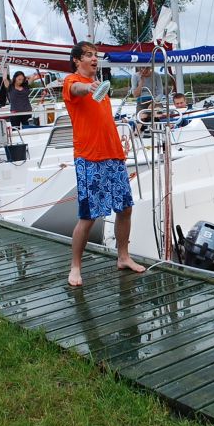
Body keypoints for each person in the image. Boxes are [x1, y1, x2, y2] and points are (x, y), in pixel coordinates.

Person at [63, 41, 146, 286]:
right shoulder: (72, 82)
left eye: (96, 55)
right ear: (77, 60)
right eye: (89, 55)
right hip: (89, 157)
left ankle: (123, 257)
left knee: (125, 208)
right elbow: (77, 89)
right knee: (88, 216)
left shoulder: (101, 87)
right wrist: (87, 89)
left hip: (113, 155)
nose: (94, 59)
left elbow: (102, 120)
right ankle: (75, 267)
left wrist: (120, 144)